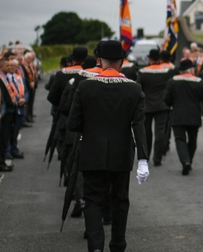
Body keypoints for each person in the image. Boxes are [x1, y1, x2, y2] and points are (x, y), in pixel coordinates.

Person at [67, 40, 149, 252]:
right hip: (121, 153)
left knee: (93, 201)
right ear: (122, 62)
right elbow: (138, 126)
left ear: (99, 60)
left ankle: (96, 247)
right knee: (120, 200)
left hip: (91, 151)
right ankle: (118, 245)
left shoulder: (85, 86)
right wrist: (143, 158)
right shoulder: (134, 89)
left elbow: (73, 123)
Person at [164, 59, 203, 175]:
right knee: (192, 140)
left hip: (178, 115)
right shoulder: (199, 82)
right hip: (194, 115)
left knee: (180, 139)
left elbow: (166, 99)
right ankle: (189, 159)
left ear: (181, 70)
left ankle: (185, 161)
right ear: (191, 70)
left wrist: (172, 104)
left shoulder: (172, 81)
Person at [137, 49, 174, 166]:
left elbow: (139, 89)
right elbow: (170, 87)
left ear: (150, 59)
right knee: (160, 132)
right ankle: (158, 157)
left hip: (147, 106)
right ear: (160, 59)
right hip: (162, 105)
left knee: (146, 132)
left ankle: (146, 156)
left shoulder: (142, 72)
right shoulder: (166, 72)